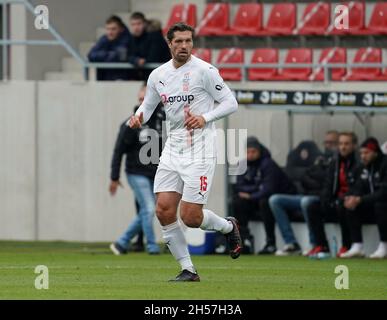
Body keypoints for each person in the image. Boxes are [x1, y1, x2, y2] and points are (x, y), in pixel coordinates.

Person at [128, 22, 241, 282]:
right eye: (178, 41)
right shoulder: (158, 75)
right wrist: (137, 118)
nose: (184, 46)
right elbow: (147, 107)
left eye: (188, 41)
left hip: (200, 148)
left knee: (190, 217)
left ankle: (228, 226)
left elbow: (230, 102)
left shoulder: (205, 71)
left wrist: (205, 117)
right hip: (173, 147)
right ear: (169, 43)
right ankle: (188, 269)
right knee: (164, 210)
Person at [109, 84, 165, 255]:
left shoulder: (164, 120)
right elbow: (119, 150)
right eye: (141, 99)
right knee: (149, 208)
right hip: (136, 172)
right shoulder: (130, 123)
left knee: (149, 210)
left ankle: (121, 243)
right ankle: (152, 247)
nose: (143, 102)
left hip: (157, 173)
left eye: (146, 99)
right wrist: (114, 176)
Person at [269, 130, 339, 256]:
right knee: (275, 199)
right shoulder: (319, 159)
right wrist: (316, 180)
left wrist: (316, 180)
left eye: (332, 142)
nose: (328, 145)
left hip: (320, 198)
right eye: (326, 142)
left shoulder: (338, 161)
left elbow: (328, 182)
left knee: (307, 202)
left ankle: (314, 244)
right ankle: (291, 243)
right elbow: (305, 178)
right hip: (307, 194)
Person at [233, 137, 297, 255]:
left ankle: (270, 243)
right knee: (238, 201)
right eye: (247, 152)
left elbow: (268, 189)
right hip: (256, 198)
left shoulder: (268, 164)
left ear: (259, 151)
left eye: (253, 152)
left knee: (265, 201)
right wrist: (256, 188)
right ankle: (244, 240)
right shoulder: (242, 164)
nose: (250, 155)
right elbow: (239, 187)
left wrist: (251, 195)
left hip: (275, 199)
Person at [307, 132, 359, 259]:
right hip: (335, 201)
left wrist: (341, 199)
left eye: (346, 144)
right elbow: (328, 184)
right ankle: (322, 246)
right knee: (312, 205)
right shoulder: (335, 162)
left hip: (350, 202)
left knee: (343, 205)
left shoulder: (358, 163)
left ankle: (346, 245)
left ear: (354, 145)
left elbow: (358, 187)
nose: (343, 147)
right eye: (341, 144)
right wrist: (326, 199)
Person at [342, 137, 387, 259]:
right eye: (361, 153)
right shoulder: (362, 168)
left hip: (383, 206)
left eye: (366, 153)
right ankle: (357, 245)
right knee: (350, 205)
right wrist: (350, 198)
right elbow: (357, 188)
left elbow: (384, 192)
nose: (362, 156)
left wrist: (361, 199)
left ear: (375, 152)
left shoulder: (385, 165)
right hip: (371, 206)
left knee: (380, 204)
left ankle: (384, 245)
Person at [126, 12, 170, 80]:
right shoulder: (132, 38)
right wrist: (135, 60)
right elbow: (128, 55)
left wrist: (140, 60)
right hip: (148, 76)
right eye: (133, 24)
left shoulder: (155, 35)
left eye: (139, 24)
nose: (136, 27)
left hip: (162, 76)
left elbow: (153, 58)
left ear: (144, 24)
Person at [88, 16, 131, 81]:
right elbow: (91, 55)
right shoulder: (104, 38)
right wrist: (108, 54)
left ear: (121, 29)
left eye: (113, 29)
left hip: (121, 80)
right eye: (107, 29)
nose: (110, 32)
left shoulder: (127, 39)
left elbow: (120, 57)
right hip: (104, 79)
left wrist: (101, 56)